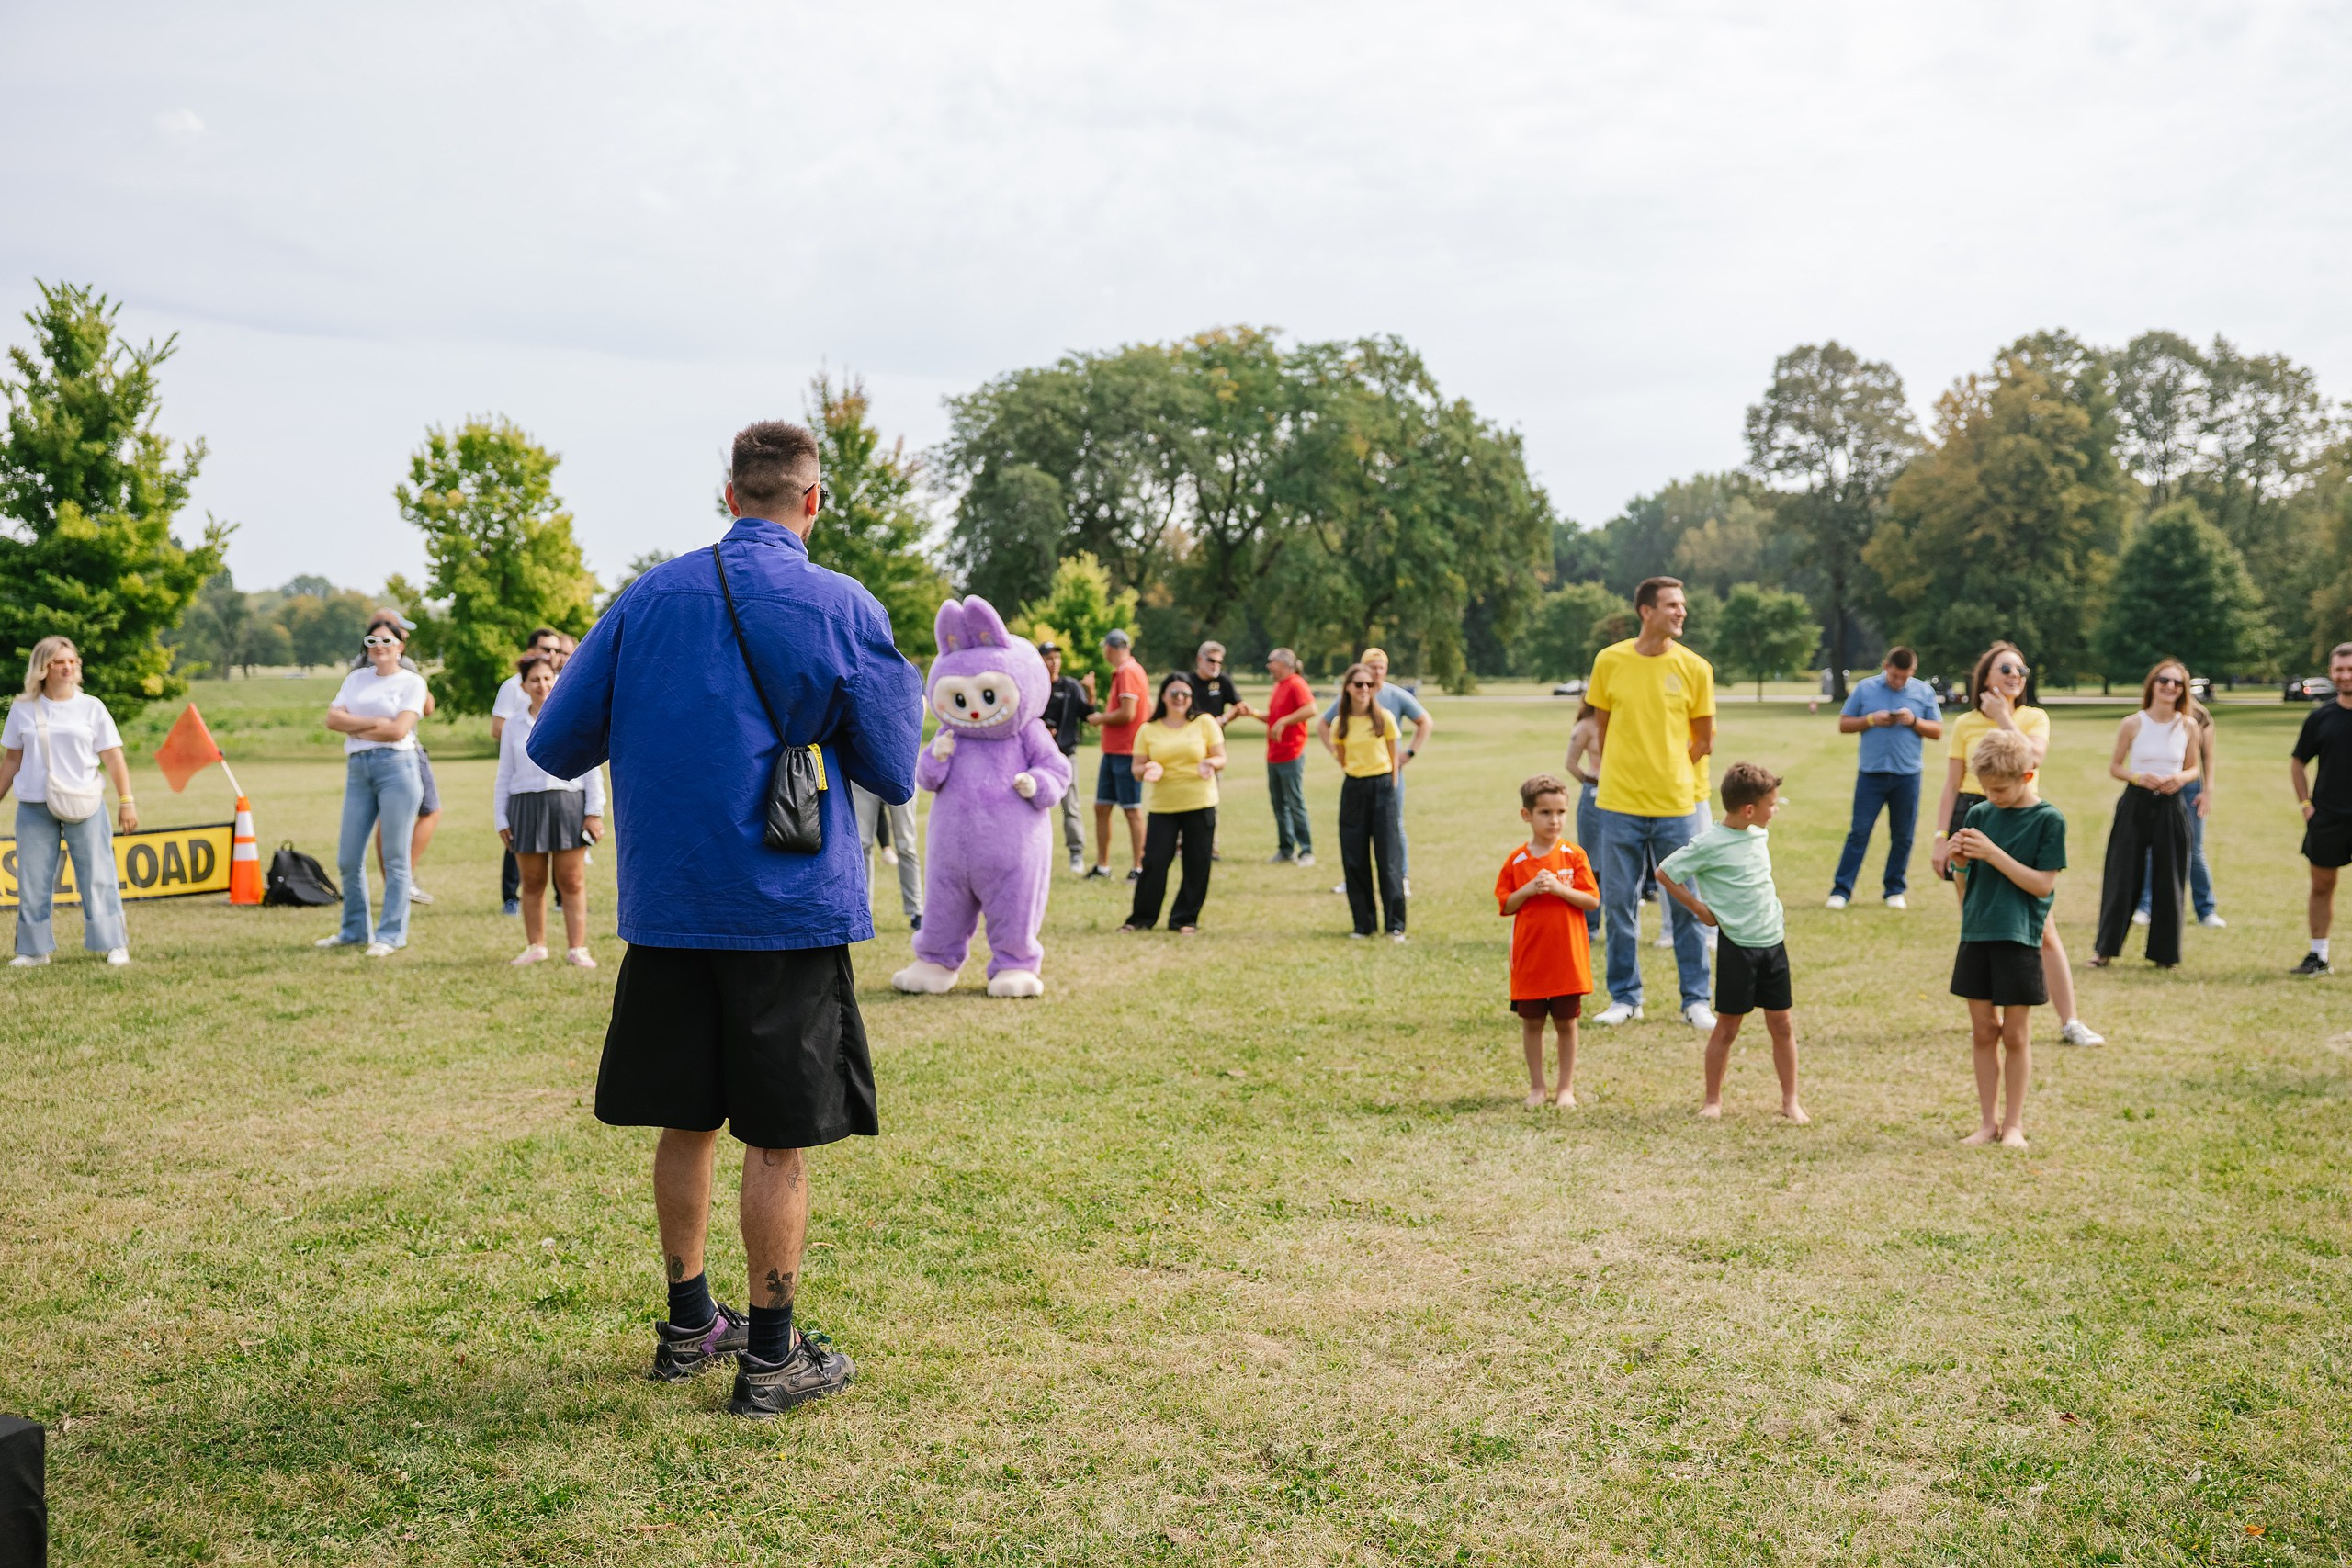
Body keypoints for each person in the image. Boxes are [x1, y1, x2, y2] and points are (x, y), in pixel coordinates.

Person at [529, 419, 921, 1417]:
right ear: (812, 501)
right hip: (786, 912)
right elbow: (890, 766)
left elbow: (556, 746)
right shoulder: (840, 604)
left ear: (729, 494)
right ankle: (773, 1356)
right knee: (778, 1139)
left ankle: (687, 1324)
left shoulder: (648, 597)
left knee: (687, 1119)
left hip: (668, 909)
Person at [1930, 642, 2104, 1047]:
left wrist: (2003, 717)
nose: (2015, 675)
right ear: (1986, 675)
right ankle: (1985, 1009)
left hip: (2021, 821)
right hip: (1975, 813)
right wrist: (1941, 838)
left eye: (2021, 670)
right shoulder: (1966, 723)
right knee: (1975, 921)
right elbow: (1951, 784)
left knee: (2042, 928)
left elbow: (2034, 757)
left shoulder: (2032, 717)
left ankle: (2070, 1021)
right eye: (2005, 668)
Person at [1586, 577, 1715, 1030]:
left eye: (1683, 604)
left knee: (1685, 903)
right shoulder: (1609, 661)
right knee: (1618, 903)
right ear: (1646, 611)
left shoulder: (1695, 668)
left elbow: (1703, 740)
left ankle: (1696, 1000)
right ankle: (1625, 997)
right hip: (1618, 803)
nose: (1682, 612)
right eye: (1672, 605)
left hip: (1676, 806)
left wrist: (1670, 772)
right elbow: (1602, 729)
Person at [1657, 762, 1806, 1123]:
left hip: (1773, 941)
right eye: (1772, 804)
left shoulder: (1758, 832)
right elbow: (1665, 872)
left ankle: (1791, 1101)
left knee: (1782, 1024)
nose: (1776, 810)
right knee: (1728, 1027)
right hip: (1738, 946)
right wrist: (1698, 909)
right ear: (1749, 809)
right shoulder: (1709, 843)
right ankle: (1712, 1100)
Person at [1948, 729, 2068, 1149]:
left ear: (2028, 775)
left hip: (2019, 937)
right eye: (1985, 788)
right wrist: (1960, 865)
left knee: (2015, 1034)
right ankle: (1987, 1122)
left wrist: (1992, 853)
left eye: (1999, 788)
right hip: (1976, 933)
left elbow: (2041, 885)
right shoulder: (1979, 814)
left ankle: (2013, 1124)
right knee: (1983, 1031)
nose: (1991, 796)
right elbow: (1965, 890)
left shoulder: (2048, 820)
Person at [0, 637, 134, 967]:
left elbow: (114, 758)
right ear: (43, 668)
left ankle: (113, 943)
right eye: (60, 662)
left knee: (97, 873)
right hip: (34, 804)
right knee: (32, 877)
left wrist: (126, 800)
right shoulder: (22, 709)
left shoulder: (92, 707)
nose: (68, 667)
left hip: (85, 802)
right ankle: (33, 950)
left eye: (73, 661)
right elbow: (11, 760)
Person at [319, 615, 430, 957]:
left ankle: (390, 935)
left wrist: (356, 727)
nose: (379, 648)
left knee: (396, 858)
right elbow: (332, 719)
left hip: (397, 768)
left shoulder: (412, 682)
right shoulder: (356, 679)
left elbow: (399, 731)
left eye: (386, 641)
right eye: (372, 642)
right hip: (358, 769)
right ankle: (353, 931)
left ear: (400, 646)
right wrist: (375, 723)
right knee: (348, 858)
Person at [494, 652, 606, 967]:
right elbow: (504, 773)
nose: (542, 685)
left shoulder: (572, 716)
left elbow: (591, 768)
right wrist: (501, 817)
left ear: (557, 680)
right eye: (534, 680)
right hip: (525, 806)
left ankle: (577, 948)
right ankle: (536, 946)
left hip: (567, 804)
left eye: (547, 678)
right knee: (531, 882)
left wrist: (593, 811)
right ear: (523, 685)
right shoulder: (514, 725)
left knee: (571, 881)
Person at [1495, 774, 1598, 1109]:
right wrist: (1527, 890)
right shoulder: (1517, 861)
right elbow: (1506, 904)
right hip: (1531, 960)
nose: (1554, 820)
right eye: (1545, 813)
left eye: (1560, 812)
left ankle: (1565, 1088)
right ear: (1527, 815)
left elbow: (1591, 901)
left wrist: (1558, 888)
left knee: (1567, 1023)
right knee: (1533, 1023)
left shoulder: (1574, 855)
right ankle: (1538, 1086)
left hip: (1568, 959)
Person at [2092, 660, 2201, 969]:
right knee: (2122, 875)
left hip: (2171, 804)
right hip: (2136, 803)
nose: (2170, 687)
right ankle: (2105, 950)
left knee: (2171, 877)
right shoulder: (2133, 723)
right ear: (2152, 683)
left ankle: (2165, 955)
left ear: (2183, 689)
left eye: (2177, 683)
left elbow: (2194, 768)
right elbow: (2115, 767)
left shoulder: (2188, 725)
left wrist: (2179, 779)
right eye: (2164, 680)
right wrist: (2138, 778)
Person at [1827, 646, 1943, 911]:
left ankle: (1894, 889)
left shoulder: (1923, 692)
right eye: (1894, 676)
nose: (1899, 682)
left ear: (1912, 671)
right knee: (1859, 832)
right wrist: (1870, 720)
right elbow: (1844, 724)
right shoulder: (1866, 689)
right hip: (1872, 773)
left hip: (1908, 774)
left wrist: (1913, 721)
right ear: (1885, 666)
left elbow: (1937, 731)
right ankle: (1841, 890)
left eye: (1904, 677)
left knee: (1903, 835)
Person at [1317, 648, 1431, 893]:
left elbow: (1424, 721)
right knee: (1357, 831)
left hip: (1387, 773)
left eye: (1381, 667)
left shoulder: (1396, 696)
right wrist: (1338, 755)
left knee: (1393, 826)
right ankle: (1355, 879)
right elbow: (1324, 724)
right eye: (1372, 667)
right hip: (1359, 777)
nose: (1376, 672)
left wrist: (1408, 754)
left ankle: (1401, 877)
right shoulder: (1353, 695)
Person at [1121, 673, 1227, 932]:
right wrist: (1148, 768)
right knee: (1155, 861)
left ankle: (1184, 918)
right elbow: (1136, 768)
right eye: (1175, 693)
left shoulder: (1205, 723)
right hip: (1163, 805)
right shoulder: (1149, 729)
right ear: (1164, 697)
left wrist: (1210, 763)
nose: (1180, 698)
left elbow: (1221, 757)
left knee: (1197, 862)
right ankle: (1142, 918)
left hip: (1199, 801)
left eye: (1186, 694)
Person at [493, 626, 569, 915]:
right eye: (545, 649)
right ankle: (511, 896)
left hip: (558, 782)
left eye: (555, 650)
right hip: (521, 771)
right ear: (531, 651)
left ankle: (562, 899)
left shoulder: (563, 683)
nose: (551, 655)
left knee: (561, 843)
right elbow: (498, 727)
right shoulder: (513, 686)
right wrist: (530, 741)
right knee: (519, 842)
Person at [1329, 661, 1406, 940]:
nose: (1364, 689)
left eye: (1369, 685)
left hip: (1382, 786)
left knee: (1388, 858)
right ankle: (1363, 924)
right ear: (1348, 687)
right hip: (1354, 788)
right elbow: (1341, 756)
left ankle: (1395, 924)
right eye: (1358, 684)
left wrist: (1390, 789)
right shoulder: (1341, 723)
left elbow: (1394, 757)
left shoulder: (1383, 718)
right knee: (1354, 857)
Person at [2289, 641, 2352, 976]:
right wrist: (2306, 805)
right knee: (2322, 886)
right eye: (2340, 669)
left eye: (2351, 670)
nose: (2345, 676)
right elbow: (2298, 762)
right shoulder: (2321, 717)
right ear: (2331, 672)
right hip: (2327, 816)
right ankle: (2319, 956)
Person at [2137, 707, 2221, 927]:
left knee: (2193, 850)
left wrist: (2207, 792)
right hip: (2157, 784)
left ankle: (2206, 910)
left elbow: (2208, 757)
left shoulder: (2200, 716)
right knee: (2150, 849)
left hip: (2189, 788)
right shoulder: (2152, 713)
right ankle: (2144, 907)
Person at [1241, 648, 1317, 866]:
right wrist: (1254, 713)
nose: (1268, 666)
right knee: (1279, 804)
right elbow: (1275, 718)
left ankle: (1306, 851)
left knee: (1294, 802)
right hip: (1274, 754)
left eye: (1270, 662)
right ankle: (1286, 850)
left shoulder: (1296, 683)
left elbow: (1311, 709)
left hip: (1291, 753)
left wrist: (1285, 722)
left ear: (1282, 663)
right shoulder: (1279, 686)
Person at [1084, 629, 1148, 882]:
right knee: (1102, 807)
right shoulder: (1127, 672)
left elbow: (1128, 712)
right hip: (1113, 751)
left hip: (1126, 751)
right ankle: (1103, 867)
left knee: (1132, 810)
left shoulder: (1128, 672)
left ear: (1111, 648)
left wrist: (1100, 718)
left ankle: (1139, 868)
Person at [1037, 641, 1094, 874]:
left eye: (1057, 658)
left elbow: (1088, 714)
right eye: (1049, 658)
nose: (1054, 663)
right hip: (1037, 758)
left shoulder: (1070, 686)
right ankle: (1036, 854)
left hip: (1066, 756)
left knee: (1070, 806)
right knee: (1035, 807)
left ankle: (1076, 853)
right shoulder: (1033, 686)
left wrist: (1091, 690)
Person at [1563, 701, 1604, 939]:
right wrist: (1591, 783)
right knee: (1591, 861)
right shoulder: (1585, 727)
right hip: (1595, 792)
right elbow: (1571, 764)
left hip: (1622, 794)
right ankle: (1590, 926)